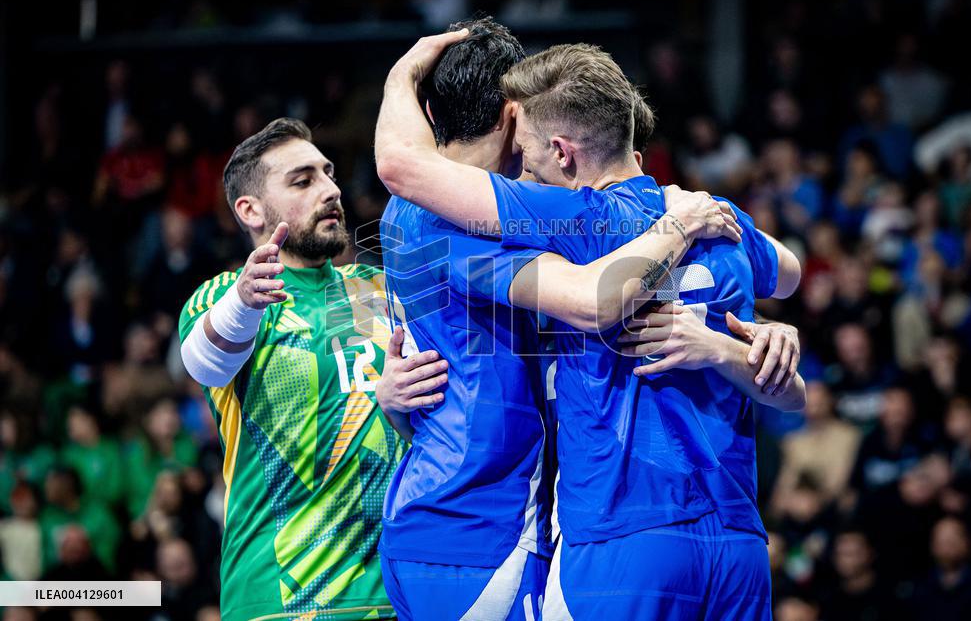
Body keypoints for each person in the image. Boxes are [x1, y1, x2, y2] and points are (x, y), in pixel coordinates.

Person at [375, 31, 806, 620]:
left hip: (617, 536)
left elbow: (401, 166)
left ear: (563, 152)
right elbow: (788, 274)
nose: (522, 168)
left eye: (530, 153)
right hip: (736, 535)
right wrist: (747, 339)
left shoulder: (569, 220)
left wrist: (402, 73)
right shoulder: (718, 219)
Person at [177, 118, 433, 619]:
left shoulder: (375, 289)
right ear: (249, 210)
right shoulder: (227, 298)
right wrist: (246, 300)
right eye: (303, 180)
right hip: (280, 598)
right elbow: (205, 364)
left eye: (329, 173)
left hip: (396, 595)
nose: (331, 189)